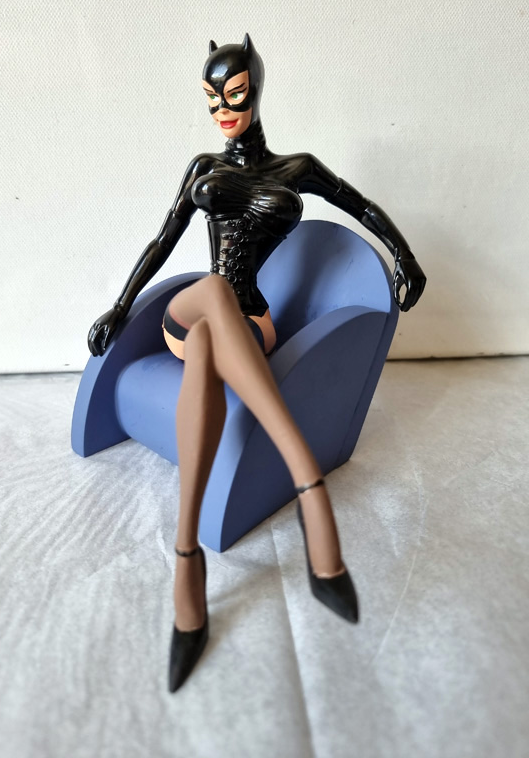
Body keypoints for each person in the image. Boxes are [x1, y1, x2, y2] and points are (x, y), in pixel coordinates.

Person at [88, 34, 426, 692]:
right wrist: (120, 305)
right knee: (214, 293)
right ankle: (309, 483)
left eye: (235, 95)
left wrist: (404, 257)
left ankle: (186, 559)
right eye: (212, 99)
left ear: (257, 89)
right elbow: (163, 240)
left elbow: (359, 206)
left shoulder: (296, 169)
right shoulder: (202, 167)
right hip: (189, 315)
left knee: (216, 335)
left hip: (252, 328)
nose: (223, 110)